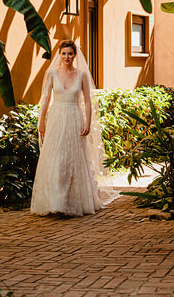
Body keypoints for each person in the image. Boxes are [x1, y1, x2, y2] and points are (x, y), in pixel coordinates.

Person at [31, 40, 108, 217]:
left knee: (72, 159)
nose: (67, 57)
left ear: (75, 55)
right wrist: (41, 122)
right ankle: (56, 202)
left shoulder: (81, 75)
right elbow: (45, 100)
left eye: (70, 53)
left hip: (74, 117)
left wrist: (88, 122)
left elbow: (88, 101)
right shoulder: (51, 73)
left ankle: (70, 202)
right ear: (60, 54)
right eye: (64, 53)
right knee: (56, 159)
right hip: (56, 118)